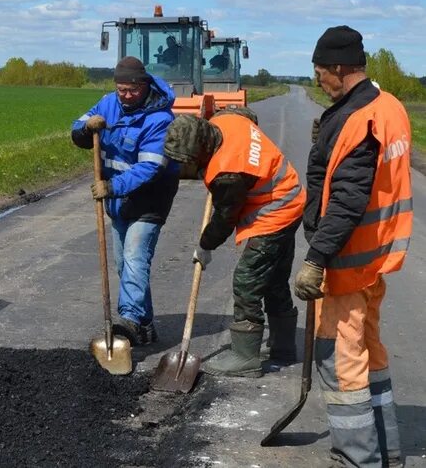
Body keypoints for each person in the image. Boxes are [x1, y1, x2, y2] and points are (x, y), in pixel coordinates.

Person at [295, 26, 411, 468]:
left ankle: (356, 458)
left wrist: (315, 258)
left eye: (321, 72)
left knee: (340, 360)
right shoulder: (387, 107)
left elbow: (348, 199)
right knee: (369, 353)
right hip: (373, 259)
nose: (319, 81)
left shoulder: (358, 120)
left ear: (340, 69)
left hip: (348, 260)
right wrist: (326, 146)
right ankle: (386, 452)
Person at [163, 105, 306, 377]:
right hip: (292, 196)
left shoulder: (229, 174)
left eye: (190, 159)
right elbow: (248, 115)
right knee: (273, 279)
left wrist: (205, 246)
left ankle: (245, 357)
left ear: (203, 146)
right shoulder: (226, 119)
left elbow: (226, 218)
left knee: (247, 279)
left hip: (275, 211)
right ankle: (283, 348)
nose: (188, 166)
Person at [71, 56, 179, 345]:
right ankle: (145, 326)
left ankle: (129, 321)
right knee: (125, 264)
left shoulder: (160, 119)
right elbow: (77, 127)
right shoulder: (108, 103)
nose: (127, 96)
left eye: (132, 90)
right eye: (122, 90)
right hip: (119, 202)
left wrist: (112, 186)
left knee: (134, 256)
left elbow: (151, 167)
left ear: (144, 85)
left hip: (150, 199)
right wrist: (85, 129)